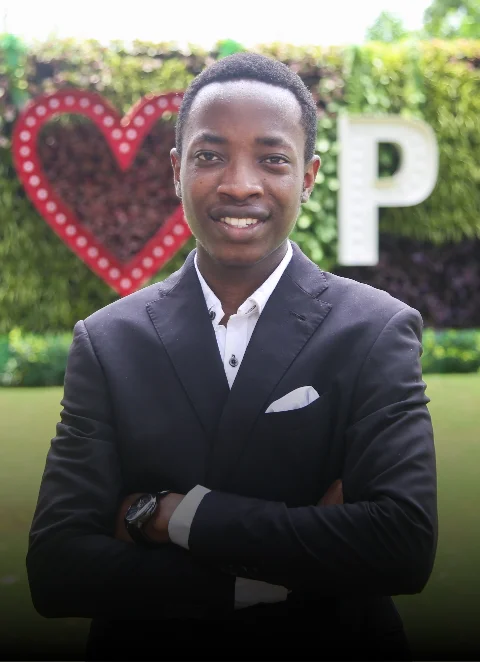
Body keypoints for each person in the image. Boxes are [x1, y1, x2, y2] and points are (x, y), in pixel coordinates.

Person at [27, 53, 437, 661]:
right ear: (176, 169)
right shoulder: (109, 342)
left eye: (273, 159)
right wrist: (264, 580)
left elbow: (400, 546)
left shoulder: (375, 331)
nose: (240, 184)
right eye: (210, 156)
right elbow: (57, 569)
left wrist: (172, 517)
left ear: (308, 176)